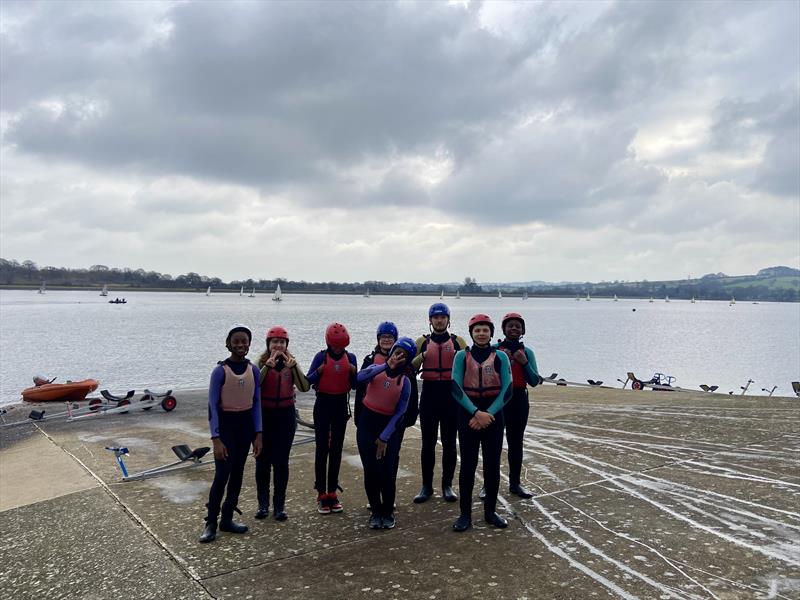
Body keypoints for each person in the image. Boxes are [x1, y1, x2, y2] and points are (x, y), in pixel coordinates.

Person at [199, 325, 263, 543]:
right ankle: (211, 523)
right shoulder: (220, 371)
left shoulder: (253, 370)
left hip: (245, 426)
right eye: (236, 341)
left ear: (249, 344)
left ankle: (227, 519)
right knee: (221, 475)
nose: (240, 345)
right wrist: (215, 439)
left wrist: (258, 433)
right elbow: (212, 407)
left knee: (237, 474)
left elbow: (256, 404)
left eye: (244, 341)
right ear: (228, 344)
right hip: (226, 426)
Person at [451, 314, 511, 532]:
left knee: (492, 465)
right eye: (477, 330)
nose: (481, 333)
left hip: (493, 415)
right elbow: (455, 387)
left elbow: (508, 389)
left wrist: (488, 414)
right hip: (468, 412)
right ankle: (465, 514)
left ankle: (490, 512)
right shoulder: (460, 356)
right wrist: (476, 412)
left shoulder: (501, 357)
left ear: (491, 333)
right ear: (471, 333)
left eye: (485, 330)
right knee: (467, 464)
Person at [354, 322, 419, 513]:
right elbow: (359, 383)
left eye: (390, 338)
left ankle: (387, 504)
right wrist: (386, 366)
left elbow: (407, 402)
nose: (386, 340)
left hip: (392, 424)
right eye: (383, 337)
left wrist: (403, 424)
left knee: (388, 469)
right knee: (371, 469)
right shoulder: (372, 362)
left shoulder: (406, 376)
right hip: (368, 420)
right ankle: (375, 505)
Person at [410, 303, 468, 504]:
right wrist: (423, 356)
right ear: (430, 320)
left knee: (450, 444)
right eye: (435, 317)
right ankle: (426, 486)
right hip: (429, 394)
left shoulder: (458, 341)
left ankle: (447, 485)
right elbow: (409, 368)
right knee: (428, 444)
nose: (439, 320)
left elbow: (469, 368)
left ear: (448, 319)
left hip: (451, 397)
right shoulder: (422, 342)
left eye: (443, 317)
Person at [254, 326, 310, 521]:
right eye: (274, 342)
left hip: (285, 416)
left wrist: (294, 367)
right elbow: (254, 386)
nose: (278, 345)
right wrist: (266, 367)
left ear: (286, 345)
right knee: (262, 461)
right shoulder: (260, 363)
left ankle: (279, 506)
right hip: (265, 415)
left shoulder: (291, 363)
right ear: (268, 345)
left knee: (281, 462)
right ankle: (263, 505)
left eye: (282, 342)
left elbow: (304, 387)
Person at [305, 323, 357, 514]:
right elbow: (307, 380)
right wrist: (318, 372)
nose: (338, 349)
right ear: (329, 343)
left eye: (341, 346)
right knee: (322, 449)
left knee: (336, 450)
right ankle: (321, 493)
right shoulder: (320, 356)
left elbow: (355, 386)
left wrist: (353, 372)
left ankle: (332, 492)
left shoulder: (350, 357)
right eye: (335, 346)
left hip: (340, 405)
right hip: (323, 405)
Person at [495, 312, 540, 499]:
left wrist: (525, 362)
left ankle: (515, 483)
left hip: (519, 399)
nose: (514, 328)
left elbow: (535, 380)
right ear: (504, 329)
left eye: (518, 326)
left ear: (523, 331)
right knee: (493, 444)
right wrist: (500, 362)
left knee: (516, 443)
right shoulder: (495, 350)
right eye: (510, 325)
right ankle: (490, 485)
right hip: (498, 401)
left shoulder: (527, 352)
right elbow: (487, 377)